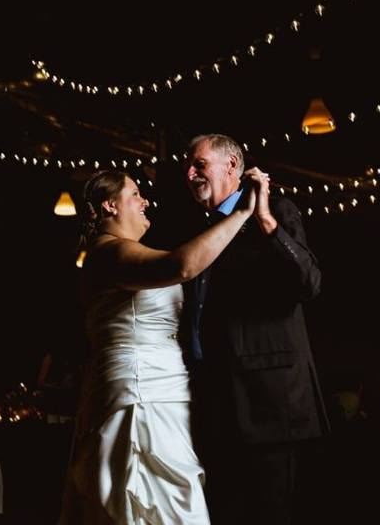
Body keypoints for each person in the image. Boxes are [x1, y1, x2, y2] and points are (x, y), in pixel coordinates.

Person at [59, 167, 256, 524]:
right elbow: (182, 266)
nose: (144, 200)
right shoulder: (107, 253)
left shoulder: (124, 251)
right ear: (110, 206)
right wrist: (241, 212)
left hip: (163, 387)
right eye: (134, 194)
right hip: (138, 395)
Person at [181, 134, 324, 524]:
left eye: (199, 164)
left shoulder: (276, 210)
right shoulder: (195, 226)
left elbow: (308, 284)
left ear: (232, 167)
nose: (190, 173)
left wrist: (263, 221)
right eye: (187, 165)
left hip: (269, 406)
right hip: (213, 402)